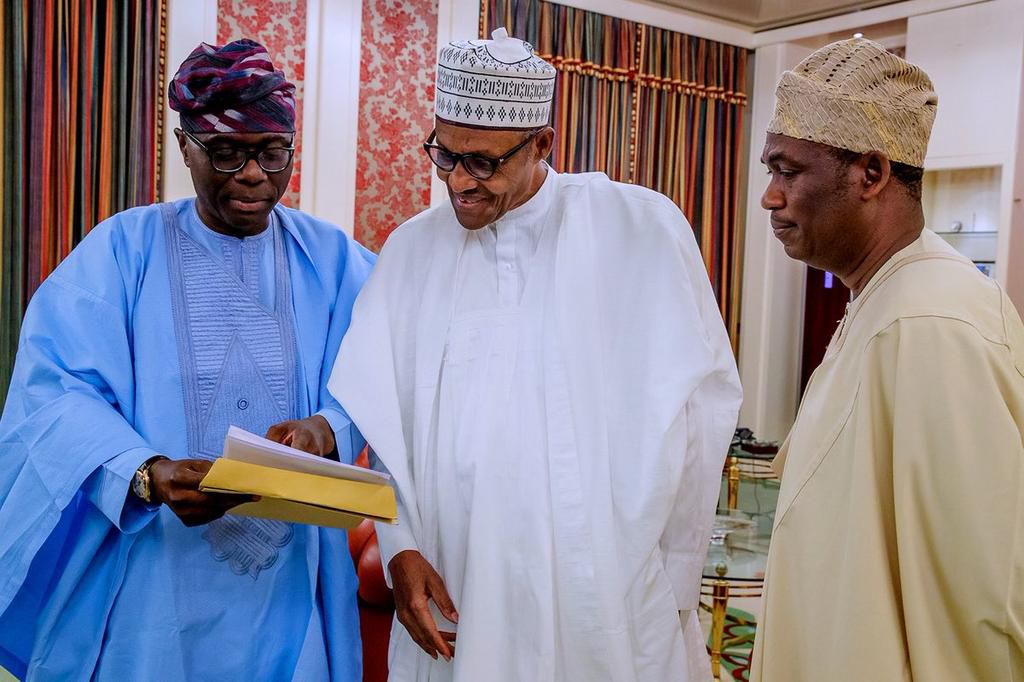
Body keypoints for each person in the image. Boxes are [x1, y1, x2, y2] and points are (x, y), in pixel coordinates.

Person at [329, 28, 742, 682]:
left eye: (484, 162)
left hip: (598, 598)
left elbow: (702, 414)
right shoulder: (412, 250)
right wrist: (400, 544)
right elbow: (386, 423)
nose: (458, 183)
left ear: (542, 145)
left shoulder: (637, 230)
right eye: (445, 155)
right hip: (455, 585)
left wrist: (672, 579)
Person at [0, 39, 374, 680]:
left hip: (289, 581)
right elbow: (55, 391)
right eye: (226, 153)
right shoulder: (122, 250)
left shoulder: (336, 261)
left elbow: (391, 375)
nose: (253, 174)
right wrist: (145, 472)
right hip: (154, 574)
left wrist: (330, 427)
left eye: (271, 152)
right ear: (186, 148)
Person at [750, 38, 1024, 681]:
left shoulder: (930, 323)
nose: (769, 197)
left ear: (870, 174)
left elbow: (985, 599)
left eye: (788, 171)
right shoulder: (887, 300)